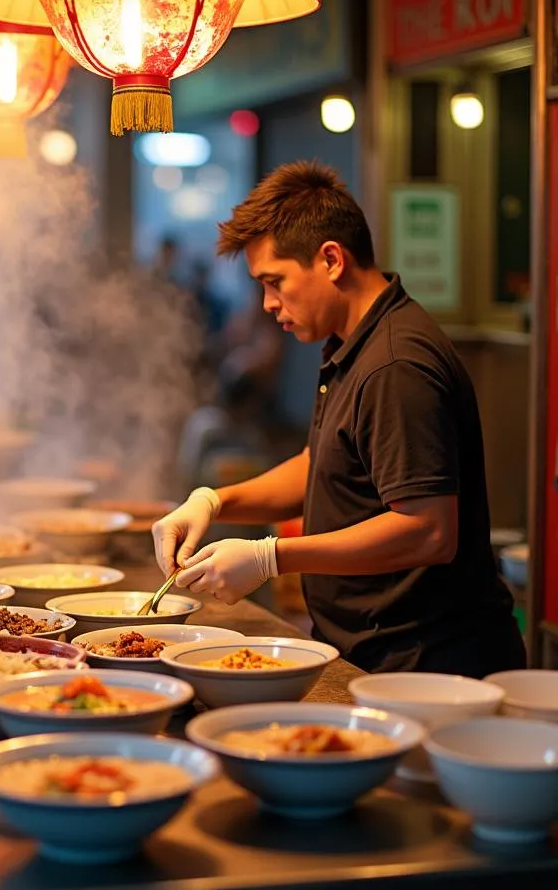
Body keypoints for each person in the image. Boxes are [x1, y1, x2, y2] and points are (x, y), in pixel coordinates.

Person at [153, 161, 525, 678]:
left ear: (330, 259)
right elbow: (321, 465)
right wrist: (215, 501)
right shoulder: (351, 343)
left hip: (427, 664)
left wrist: (271, 557)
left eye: (275, 281)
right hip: (373, 650)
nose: (268, 303)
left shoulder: (397, 364)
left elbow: (428, 531)